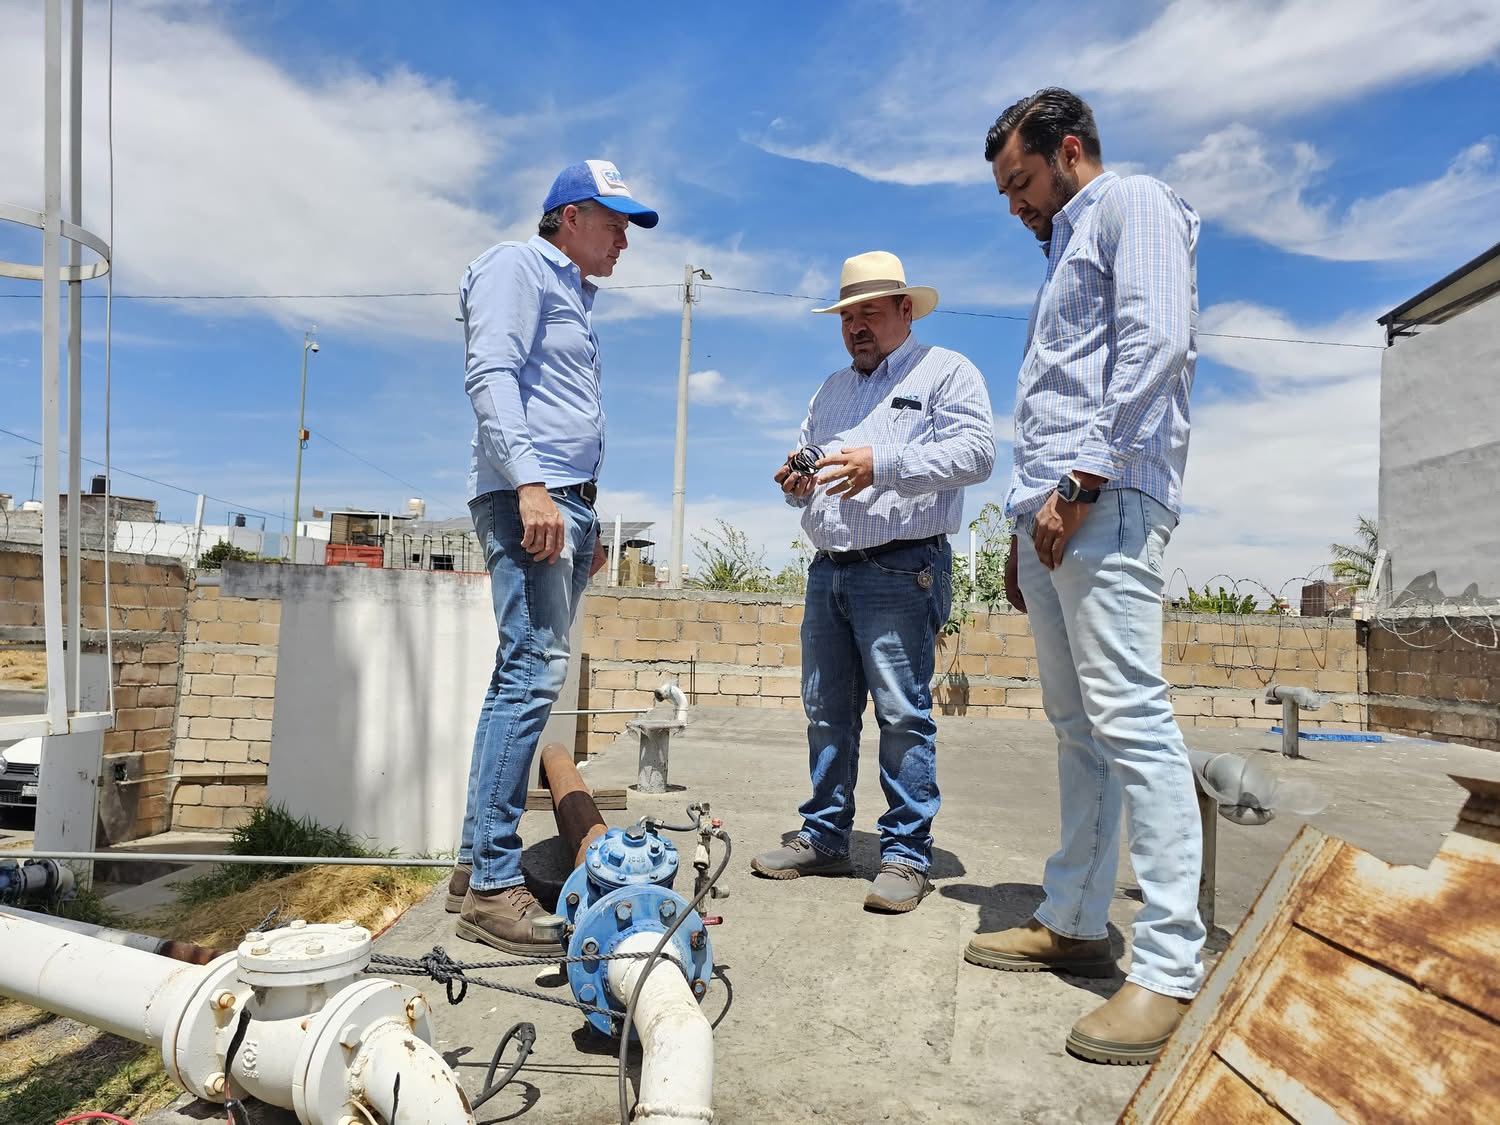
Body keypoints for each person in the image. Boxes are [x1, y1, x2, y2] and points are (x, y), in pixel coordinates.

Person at [964, 88, 1204, 1065]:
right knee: (1079, 729)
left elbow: (1155, 345)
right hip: (1057, 516)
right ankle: (1073, 918)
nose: (1017, 206)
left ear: (1068, 152)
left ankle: (1171, 969)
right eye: (1007, 194)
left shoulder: (1131, 205)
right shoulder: (1067, 244)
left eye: (1022, 182)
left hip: (1101, 500)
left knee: (1132, 722)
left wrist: (1078, 480)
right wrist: (1030, 528)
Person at [449, 160, 658, 953]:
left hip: (564, 500)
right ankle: (496, 886)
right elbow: (490, 373)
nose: (623, 242)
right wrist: (534, 487)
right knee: (531, 670)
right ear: (569, 216)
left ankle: (475, 867)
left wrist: (582, 512)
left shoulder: (572, 292)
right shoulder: (518, 265)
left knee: (524, 671)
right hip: (528, 496)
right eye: (615, 224)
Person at [750, 251, 995, 913]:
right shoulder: (830, 391)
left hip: (900, 567)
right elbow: (808, 482)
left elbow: (978, 453)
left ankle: (907, 855)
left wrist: (881, 462)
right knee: (826, 712)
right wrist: (798, 484)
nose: (857, 326)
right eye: (847, 315)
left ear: (905, 310)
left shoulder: (946, 373)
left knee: (901, 715)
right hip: (830, 569)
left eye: (870, 312)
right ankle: (826, 836)